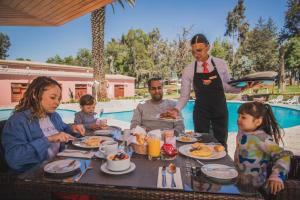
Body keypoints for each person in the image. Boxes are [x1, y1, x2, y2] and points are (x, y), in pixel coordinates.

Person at [168, 33, 255, 149]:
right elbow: (184, 96)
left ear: (208, 47)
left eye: (199, 50)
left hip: (220, 112)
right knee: (201, 145)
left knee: (221, 145)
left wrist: (243, 88)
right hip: (201, 113)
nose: (196, 54)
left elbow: (227, 87)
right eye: (193, 51)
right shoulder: (188, 70)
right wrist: (176, 109)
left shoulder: (221, 64)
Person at [2, 76, 85, 172]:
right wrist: (49, 139)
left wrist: (74, 128)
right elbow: (14, 159)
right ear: (35, 95)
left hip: (59, 168)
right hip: (32, 178)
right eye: (53, 97)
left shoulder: (54, 116)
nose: (57, 102)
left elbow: (65, 129)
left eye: (59, 99)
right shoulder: (17, 121)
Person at [235, 101, 291, 195]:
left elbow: (283, 155)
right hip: (239, 181)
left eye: (243, 117)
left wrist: (277, 175)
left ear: (258, 121)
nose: (238, 119)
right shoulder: (243, 132)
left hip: (255, 187)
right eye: (238, 116)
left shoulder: (262, 139)